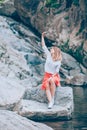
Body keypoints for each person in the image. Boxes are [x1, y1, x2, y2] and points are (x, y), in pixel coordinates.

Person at [41, 32, 62, 109]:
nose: (51, 49)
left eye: (52, 49)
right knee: (46, 85)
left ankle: (52, 98)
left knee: (52, 81)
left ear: (55, 51)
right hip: (47, 75)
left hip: (54, 76)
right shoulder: (48, 56)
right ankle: (50, 102)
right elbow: (43, 46)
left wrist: (51, 77)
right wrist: (42, 37)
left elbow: (57, 72)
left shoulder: (58, 62)